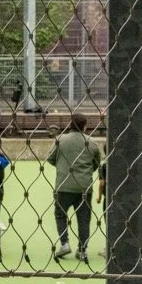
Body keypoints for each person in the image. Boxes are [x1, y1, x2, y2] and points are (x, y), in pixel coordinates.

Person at [46, 113, 105, 263]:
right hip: (84, 186)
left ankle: (64, 243)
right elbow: (96, 163)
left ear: (70, 124)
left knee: (60, 214)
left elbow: (50, 158)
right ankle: (82, 249)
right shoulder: (91, 142)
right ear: (85, 125)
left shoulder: (60, 140)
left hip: (63, 185)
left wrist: (62, 167)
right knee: (84, 218)